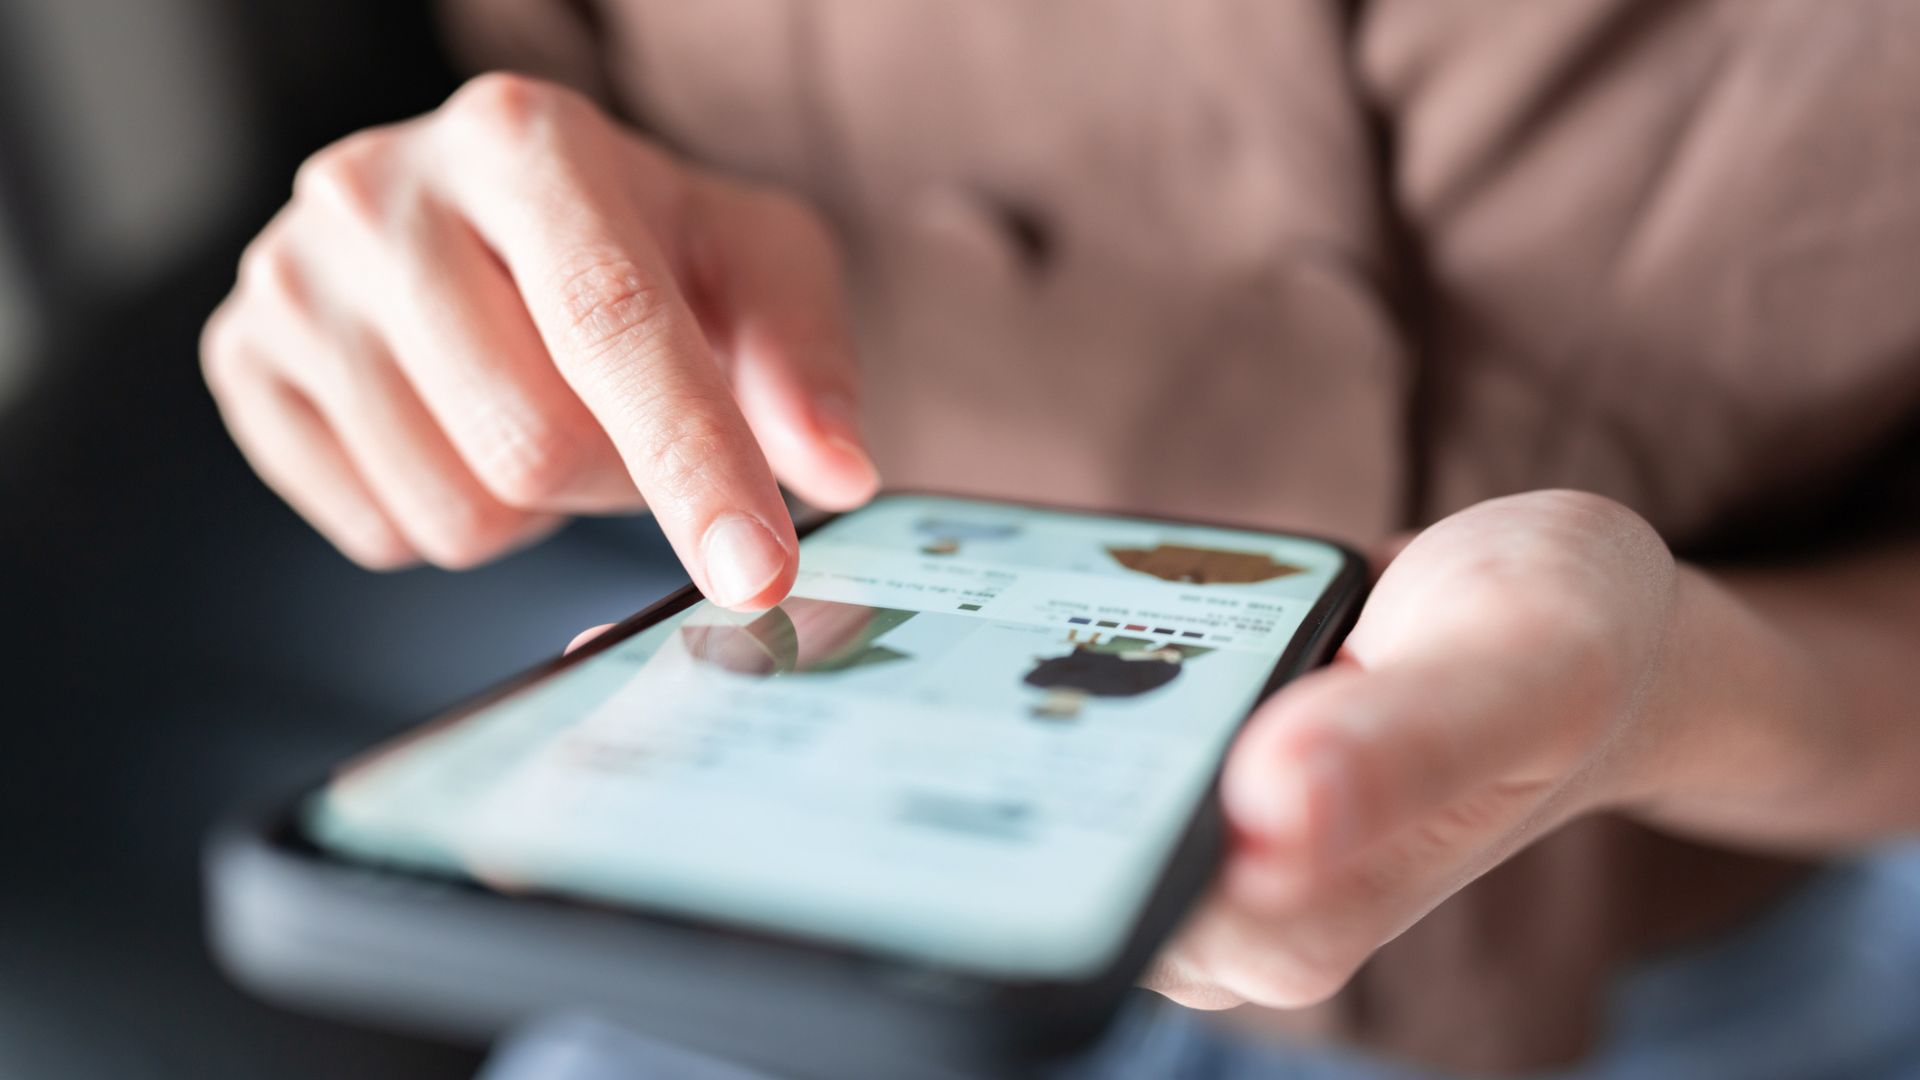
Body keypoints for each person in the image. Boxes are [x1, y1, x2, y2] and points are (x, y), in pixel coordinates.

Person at [198, 2, 1920, 1075]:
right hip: (827, 870)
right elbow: (546, 145)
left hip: (1733, 945)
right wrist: (428, 277)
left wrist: (1699, 689)